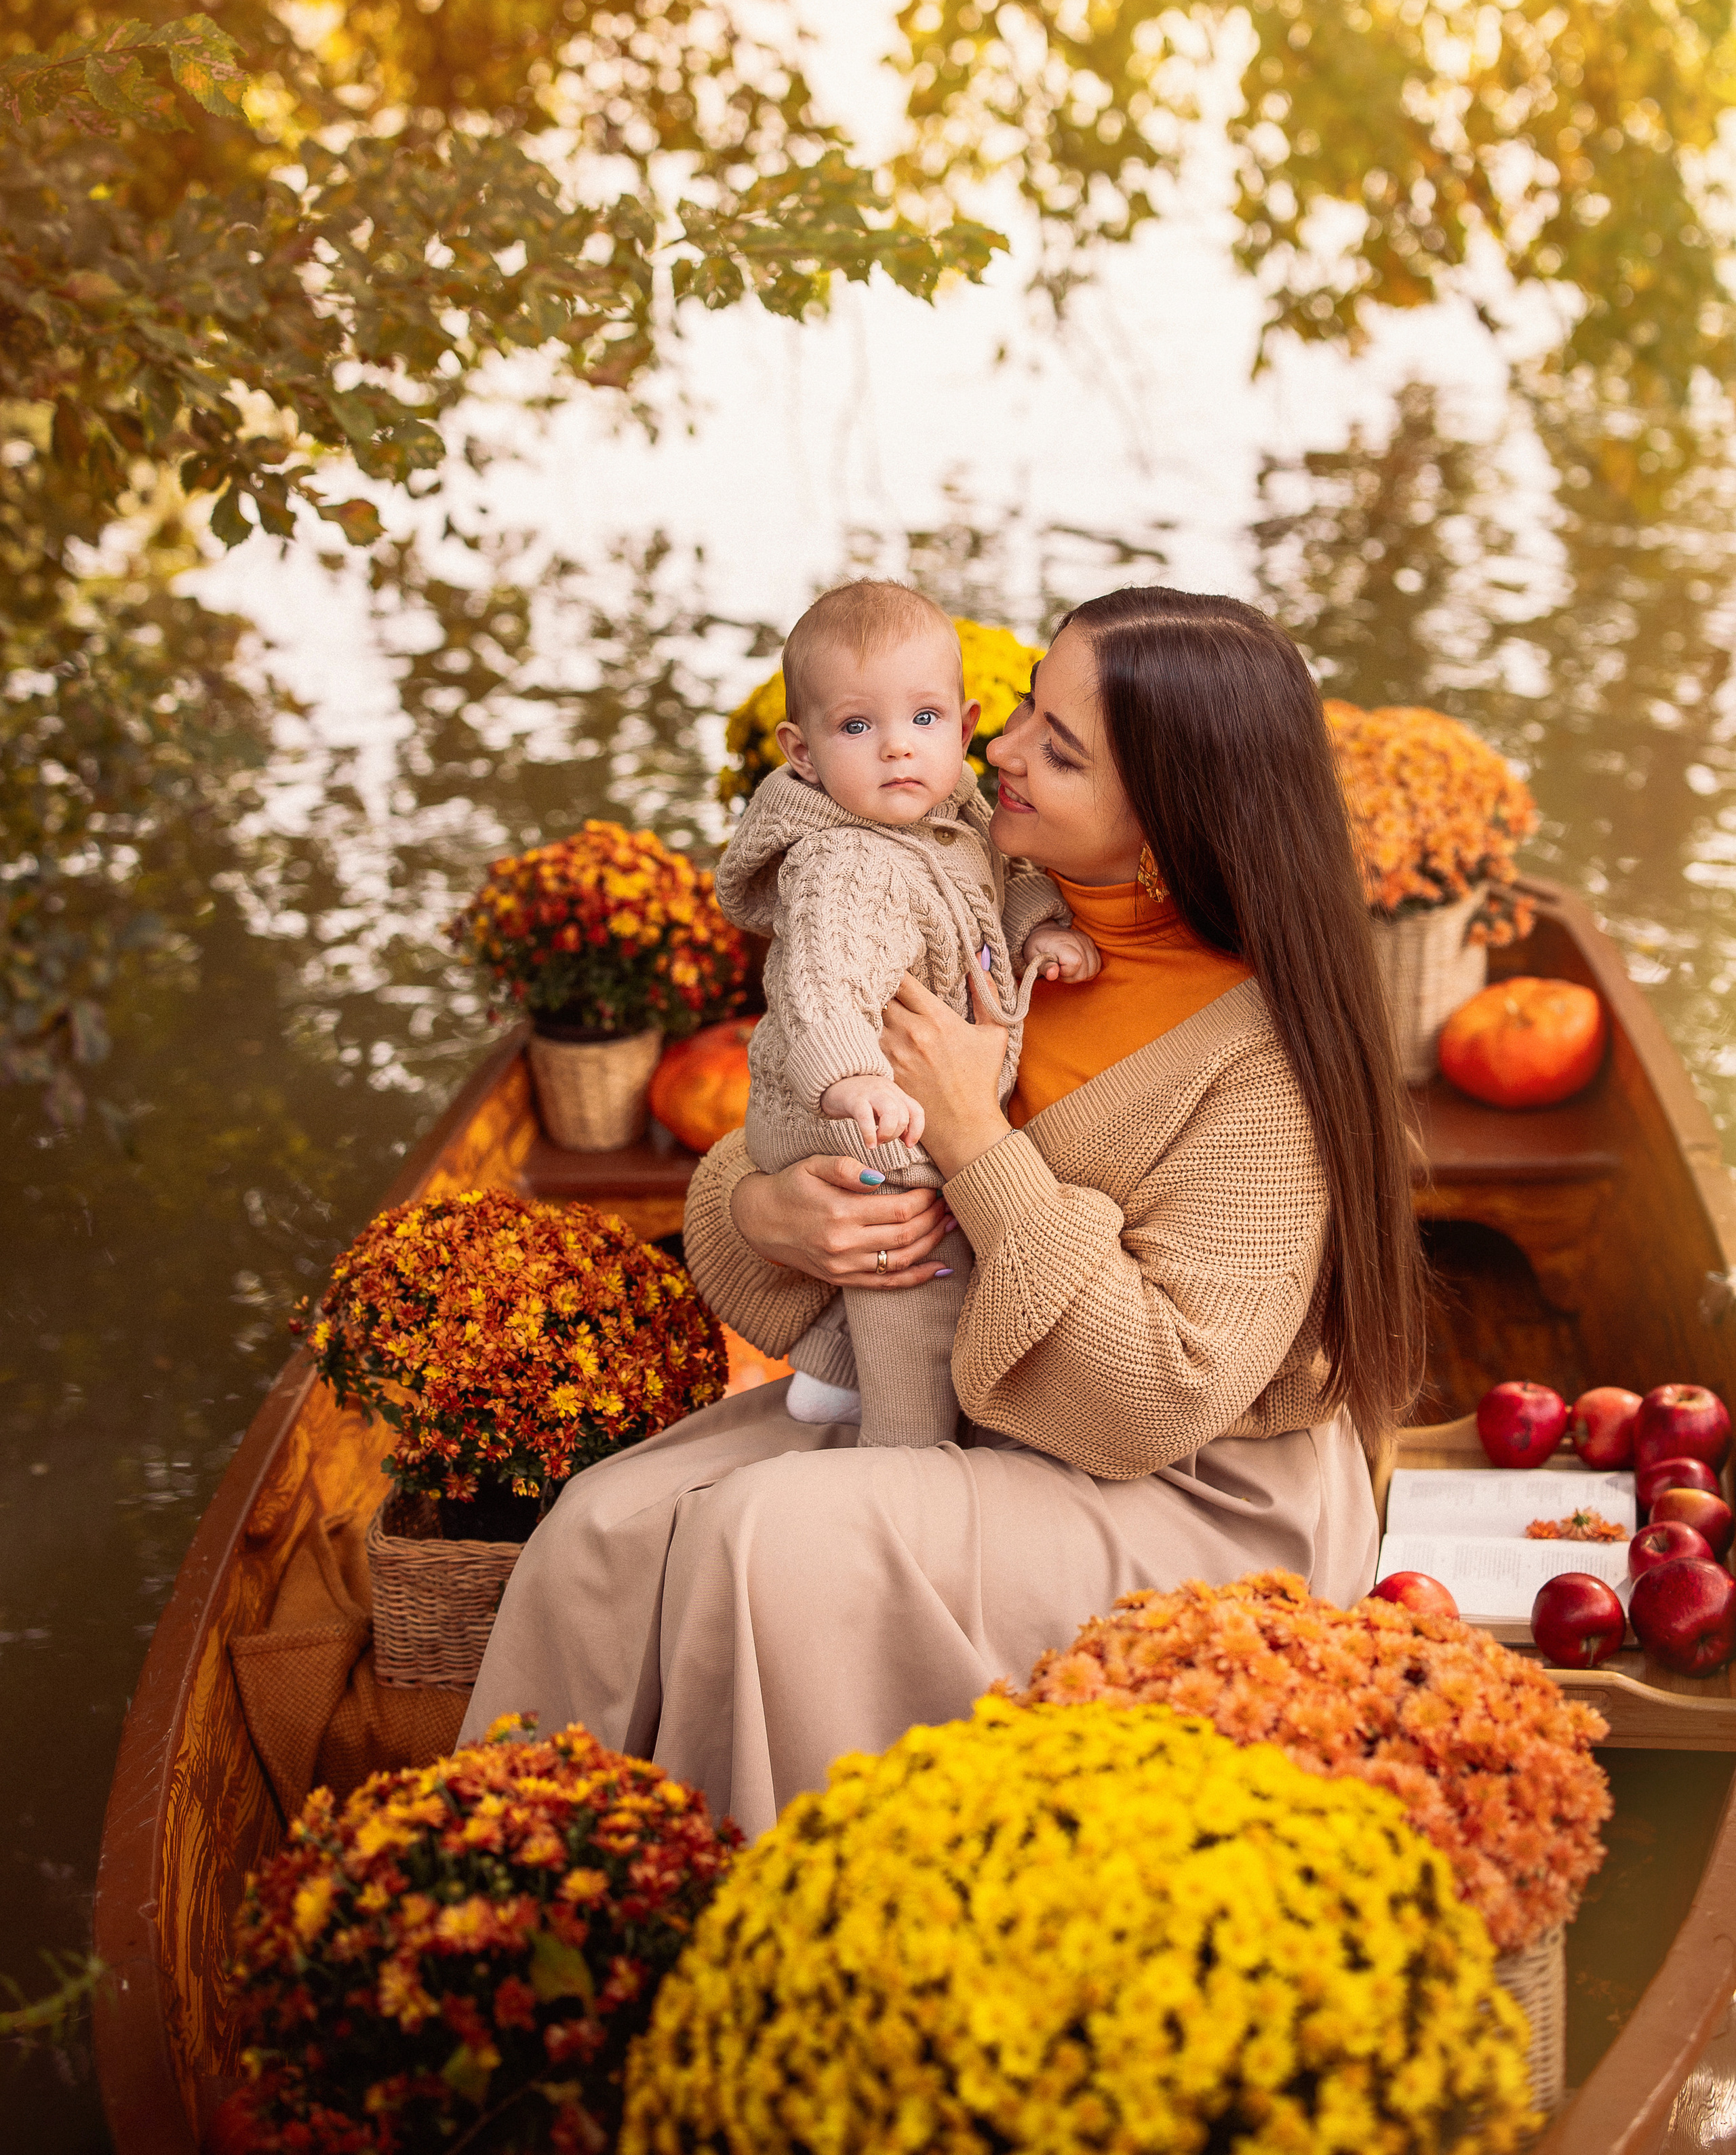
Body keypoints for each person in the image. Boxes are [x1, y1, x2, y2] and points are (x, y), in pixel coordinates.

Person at [460, 585, 1425, 1841]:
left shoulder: (1266, 1065)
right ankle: (524, 1898)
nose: (1000, 745)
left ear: (1170, 823)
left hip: (1191, 1490)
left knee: (773, 1542)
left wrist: (977, 1137)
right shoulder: (965, 897)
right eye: (1028, 704)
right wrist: (763, 1213)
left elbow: (1158, 1391)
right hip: (963, 1403)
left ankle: (788, 1942)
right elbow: (807, 1131)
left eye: (1060, 748)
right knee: (600, 1529)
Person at [713, 578, 1099, 1448]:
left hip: (893, 1084)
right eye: (857, 727)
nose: (896, 749)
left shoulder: (949, 812)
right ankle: (905, 1441)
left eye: (922, 720)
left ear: (964, 729)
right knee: (919, 1268)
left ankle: (828, 1378)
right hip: (851, 1109)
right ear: (802, 752)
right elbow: (821, 984)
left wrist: (1043, 927)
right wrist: (852, 1081)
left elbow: (995, 887)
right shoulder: (843, 864)